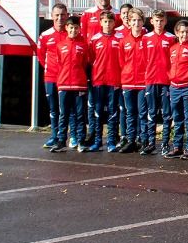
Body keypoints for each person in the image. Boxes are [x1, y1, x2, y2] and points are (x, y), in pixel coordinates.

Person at [51, 14, 90, 152]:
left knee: (80, 114)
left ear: (80, 29)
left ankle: (81, 141)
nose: (74, 31)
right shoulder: (60, 45)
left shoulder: (83, 45)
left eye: (76, 28)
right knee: (64, 114)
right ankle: (61, 141)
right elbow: (59, 63)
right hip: (64, 84)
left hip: (79, 84)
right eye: (71, 28)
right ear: (67, 28)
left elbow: (85, 63)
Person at [87, 12, 124, 153]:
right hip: (98, 80)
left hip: (114, 80)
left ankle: (111, 141)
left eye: (110, 22)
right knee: (97, 112)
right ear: (100, 23)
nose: (108, 24)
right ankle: (97, 141)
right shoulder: (94, 39)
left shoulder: (120, 38)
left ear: (114, 23)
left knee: (113, 112)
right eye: (105, 22)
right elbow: (90, 59)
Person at [164, 18, 188, 158]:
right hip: (174, 88)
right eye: (182, 32)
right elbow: (168, 66)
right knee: (177, 118)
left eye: (187, 32)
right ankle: (177, 146)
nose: (184, 35)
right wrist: (171, 78)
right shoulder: (172, 48)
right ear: (176, 33)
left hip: (187, 87)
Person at [37, 3, 69, 149]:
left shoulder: (72, 33)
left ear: (67, 15)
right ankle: (54, 135)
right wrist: (51, 69)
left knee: (68, 109)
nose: (60, 18)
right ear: (52, 16)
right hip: (51, 77)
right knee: (53, 109)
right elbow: (41, 56)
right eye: (57, 15)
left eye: (62, 15)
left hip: (68, 79)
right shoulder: (45, 35)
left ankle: (70, 136)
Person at [141, 11, 173, 154]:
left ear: (165, 21)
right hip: (151, 80)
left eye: (161, 20)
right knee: (151, 113)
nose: (159, 23)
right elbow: (142, 60)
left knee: (166, 114)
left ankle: (165, 143)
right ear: (151, 21)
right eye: (156, 20)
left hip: (166, 80)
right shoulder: (145, 38)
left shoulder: (171, 38)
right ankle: (151, 143)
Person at [118, 10, 148, 152]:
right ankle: (131, 140)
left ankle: (142, 140)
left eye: (139, 20)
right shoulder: (123, 41)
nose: (136, 23)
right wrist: (127, 74)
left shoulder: (146, 39)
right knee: (130, 112)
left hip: (143, 82)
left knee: (143, 112)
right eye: (133, 20)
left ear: (143, 22)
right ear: (129, 22)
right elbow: (121, 62)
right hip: (128, 81)